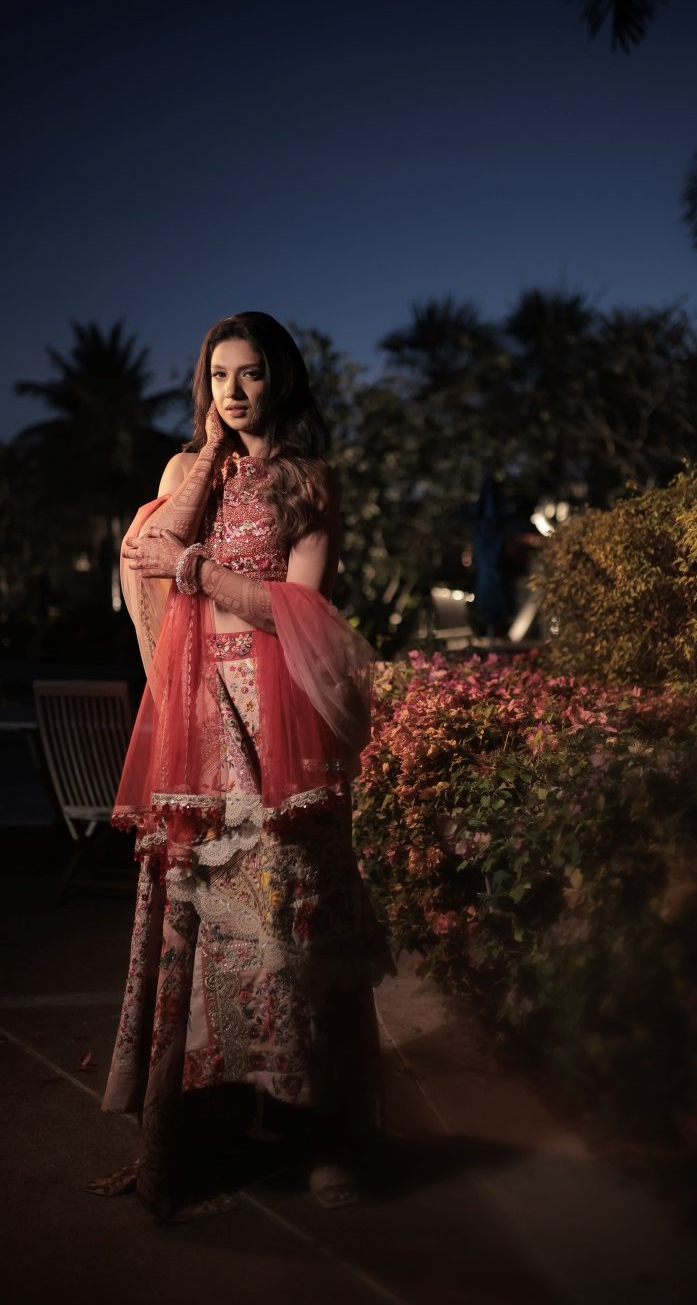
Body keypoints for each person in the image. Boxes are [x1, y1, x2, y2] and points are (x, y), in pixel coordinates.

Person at [83, 311, 392, 1220]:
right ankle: (199, 1128)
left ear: (279, 379)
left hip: (278, 727)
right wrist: (207, 465)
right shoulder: (190, 473)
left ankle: (325, 1133)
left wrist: (202, 575)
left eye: (251, 374)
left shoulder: (308, 482)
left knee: (296, 925)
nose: (235, 391)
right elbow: (149, 555)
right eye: (219, 375)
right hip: (196, 729)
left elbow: (299, 610)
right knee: (197, 922)